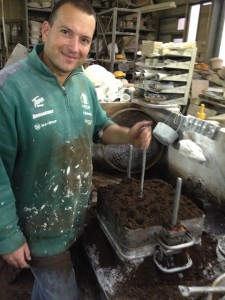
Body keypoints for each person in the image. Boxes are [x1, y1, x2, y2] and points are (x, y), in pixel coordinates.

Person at [0, 0, 152, 299]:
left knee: (50, 290)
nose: (74, 47)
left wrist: (128, 135)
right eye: (66, 33)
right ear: (45, 30)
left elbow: (100, 126)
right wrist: (7, 235)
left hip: (73, 216)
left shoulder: (82, 82)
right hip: (37, 226)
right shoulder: (10, 88)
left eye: (84, 39)